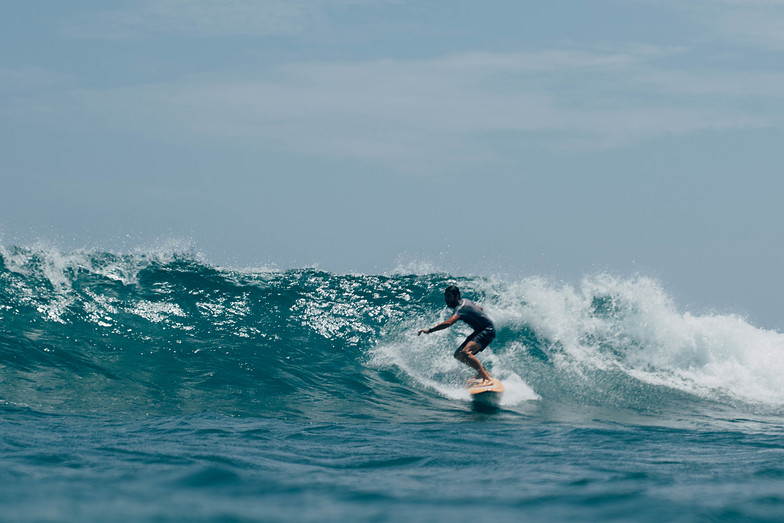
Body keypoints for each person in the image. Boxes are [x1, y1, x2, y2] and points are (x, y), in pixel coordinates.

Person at [418, 285, 496, 383]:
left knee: (465, 352)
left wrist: (430, 330)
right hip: (480, 330)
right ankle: (484, 372)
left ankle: (486, 378)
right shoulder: (465, 301)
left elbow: (449, 322)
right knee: (458, 354)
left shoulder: (460, 308)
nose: (446, 300)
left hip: (487, 330)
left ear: (457, 296)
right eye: (446, 296)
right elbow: (479, 307)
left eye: (449, 297)